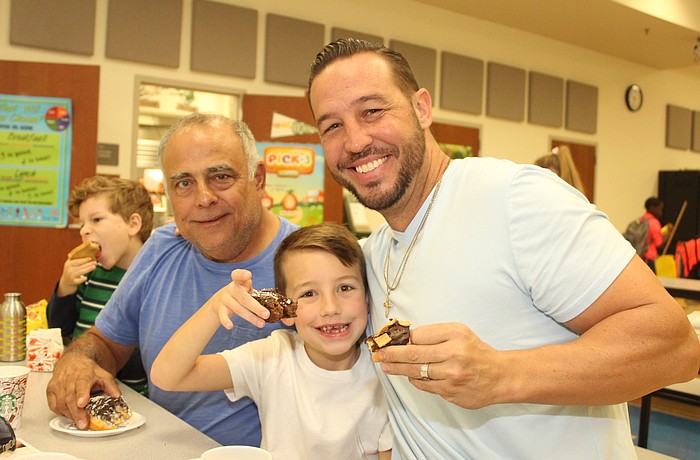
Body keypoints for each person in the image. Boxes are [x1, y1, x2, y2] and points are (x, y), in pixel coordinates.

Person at [301, 38, 700, 459]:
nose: (355, 141)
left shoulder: (514, 199)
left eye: (372, 111)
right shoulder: (371, 255)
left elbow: (676, 347)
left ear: (421, 108)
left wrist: (502, 375)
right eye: (332, 126)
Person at [46, 113, 299, 446]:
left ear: (258, 178)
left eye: (221, 176)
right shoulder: (163, 247)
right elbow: (106, 343)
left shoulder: (310, 261)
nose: (203, 198)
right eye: (184, 184)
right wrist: (79, 361)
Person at [151, 223, 392, 459]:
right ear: (285, 310)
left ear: (368, 298)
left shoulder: (389, 372)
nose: (330, 308)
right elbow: (168, 376)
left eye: (345, 288)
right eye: (309, 293)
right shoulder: (271, 358)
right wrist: (215, 307)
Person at [47, 175, 154, 395]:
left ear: (133, 224)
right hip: (81, 390)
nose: (83, 231)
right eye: (82, 223)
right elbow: (59, 329)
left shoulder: (153, 279)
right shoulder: (91, 273)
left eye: (96, 220)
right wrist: (66, 287)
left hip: (131, 396)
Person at [640, 197, 671, 271]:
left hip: (639, 257)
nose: (661, 213)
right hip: (649, 259)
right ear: (652, 208)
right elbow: (659, 244)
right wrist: (668, 233)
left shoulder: (640, 220)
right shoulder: (654, 222)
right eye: (660, 209)